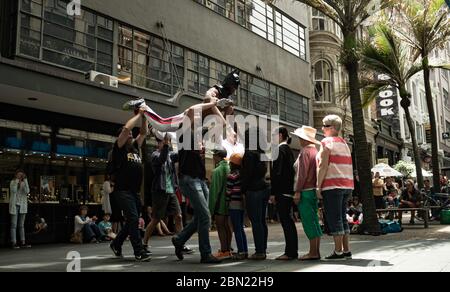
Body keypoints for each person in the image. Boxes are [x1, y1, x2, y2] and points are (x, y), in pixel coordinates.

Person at [122, 70, 240, 133]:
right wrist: (217, 105)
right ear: (229, 84)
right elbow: (208, 97)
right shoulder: (215, 91)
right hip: (189, 117)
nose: (234, 90)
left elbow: (228, 121)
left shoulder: (228, 102)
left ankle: (145, 108)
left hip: (196, 126)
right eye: (234, 86)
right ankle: (143, 105)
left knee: (163, 127)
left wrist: (232, 129)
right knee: (162, 126)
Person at [171, 129, 222, 264]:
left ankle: (179, 239)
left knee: (201, 216)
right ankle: (205, 254)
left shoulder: (199, 151)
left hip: (200, 180)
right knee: (205, 216)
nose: (203, 144)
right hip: (190, 181)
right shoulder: (186, 142)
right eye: (200, 140)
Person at [109, 107, 151, 262]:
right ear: (122, 136)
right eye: (128, 135)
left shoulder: (134, 147)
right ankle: (139, 251)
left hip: (134, 191)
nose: (131, 136)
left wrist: (144, 117)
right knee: (133, 218)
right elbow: (127, 128)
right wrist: (139, 114)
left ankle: (116, 243)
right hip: (123, 190)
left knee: (132, 220)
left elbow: (144, 133)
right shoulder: (118, 148)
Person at [317, 115, 354, 261]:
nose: (322, 128)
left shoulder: (326, 142)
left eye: (324, 126)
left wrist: (317, 186)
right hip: (347, 185)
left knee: (334, 218)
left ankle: (338, 251)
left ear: (332, 128)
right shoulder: (344, 143)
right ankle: (346, 249)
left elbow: (322, 166)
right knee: (342, 218)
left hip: (332, 185)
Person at [292, 126, 323, 261]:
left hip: (305, 190)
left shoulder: (305, 152)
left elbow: (301, 174)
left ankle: (313, 252)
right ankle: (315, 251)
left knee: (308, 222)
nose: (298, 139)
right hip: (313, 190)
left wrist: (297, 191)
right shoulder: (314, 151)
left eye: (300, 137)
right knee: (314, 220)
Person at [241, 128, 270, 260]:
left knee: (256, 221)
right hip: (264, 188)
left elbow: (246, 175)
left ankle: (259, 251)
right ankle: (263, 248)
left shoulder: (249, 154)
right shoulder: (262, 153)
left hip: (253, 190)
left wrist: (242, 190)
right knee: (262, 221)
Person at [270, 127, 297, 260]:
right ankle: (292, 250)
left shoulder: (279, 150)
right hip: (289, 190)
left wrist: (273, 192)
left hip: (282, 191)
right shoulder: (288, 150)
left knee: (286, 221)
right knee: (288, 221)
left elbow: (277, 173)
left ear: (280, 135)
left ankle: (290, 252)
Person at [209, 149, 232, 260]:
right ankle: (228, 248)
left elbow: (214, 192)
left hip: (220, 204)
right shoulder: (229, 168)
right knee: (228, 227)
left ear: (218, 156)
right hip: (231, 203)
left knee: (220, 227)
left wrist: (211, 209)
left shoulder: (217, 171)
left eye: (214, 154)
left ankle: (224, 250)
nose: (213, 156)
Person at [226, 153, 248, 260]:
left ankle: (241, 251)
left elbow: (228, 191)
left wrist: (225, 201)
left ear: (232, 164)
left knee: (236, 229)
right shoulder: (242, 175)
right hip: (241, 205)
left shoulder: (231, 175)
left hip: (233, 205)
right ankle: (245, 250)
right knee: (240, 228)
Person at [9, 169, 31, 249]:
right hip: (15, 205)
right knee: (13, 225)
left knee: (21, 225)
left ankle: (23, 242)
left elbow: (27, 191)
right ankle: (14, 242)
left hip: (23, 206)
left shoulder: (24, 183)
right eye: (19, 175)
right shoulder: (13, 182)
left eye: (21, 175)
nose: (20, 176)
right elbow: (14, 190)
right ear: (16, 175)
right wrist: (17, 181)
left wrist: (25, 180)